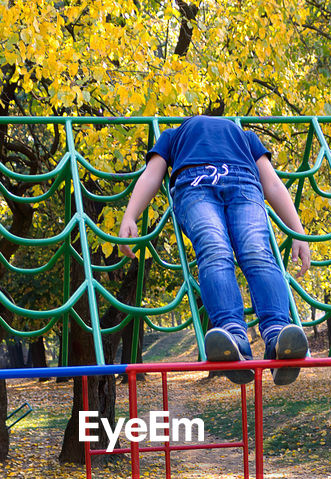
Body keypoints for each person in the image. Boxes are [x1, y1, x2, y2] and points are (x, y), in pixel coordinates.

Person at [119, 115, 312, 385]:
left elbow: (272, 182)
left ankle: (278, 333)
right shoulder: (173, 135)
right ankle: (233, 335)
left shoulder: (245, 137)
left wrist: (297, 230)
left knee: (256, 250)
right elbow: (152, 174)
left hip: (244, 182)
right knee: (214, 248)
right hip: (194, 184)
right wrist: (130, 215)